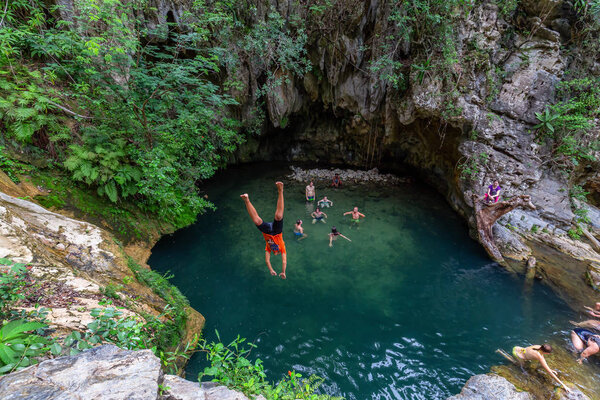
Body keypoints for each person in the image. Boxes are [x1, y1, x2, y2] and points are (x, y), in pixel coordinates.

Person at [241, 182, 287, 279]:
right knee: (278, 216)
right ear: (278, 252)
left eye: (274, 253)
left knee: (257, 221)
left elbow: (267, 261)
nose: (275, 253)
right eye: (276, 253)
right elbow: (284, 261)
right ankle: (280, 191)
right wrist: (283, 272)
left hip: (267, 231)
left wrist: (271, 270)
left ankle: (246, 200)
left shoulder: (268, 248)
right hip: (277, 231)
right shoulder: (282, 247)